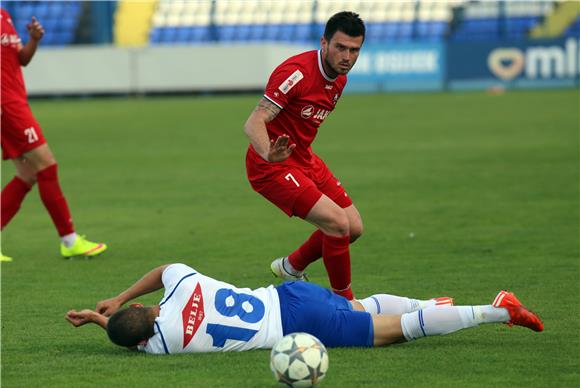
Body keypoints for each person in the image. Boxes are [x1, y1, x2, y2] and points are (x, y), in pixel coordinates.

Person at [66, 263, 543, 354]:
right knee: (365, 307)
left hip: (296, 324)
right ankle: (434, 303)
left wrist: (102, 324)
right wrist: (116, 303)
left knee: (393, 331)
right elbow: (165, 267)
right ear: (150, 308)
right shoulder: (180, 286)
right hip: (291, 296)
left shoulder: (163, 346)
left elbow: (135, 338)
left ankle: (497, 310)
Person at [243, 11, 367, 299]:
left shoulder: (339, 79)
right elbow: (254, 122)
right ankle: (345, 305)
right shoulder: (296, 73)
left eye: (354, 50)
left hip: (304, 159)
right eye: (340, 47)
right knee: (337, 224)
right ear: (324, 43)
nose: (347, 56)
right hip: (270, 166)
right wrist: (268, 153)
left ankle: (291, 266)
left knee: (354, 228)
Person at [0, 9, 107, 262]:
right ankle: (69, 240)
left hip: (14, 101)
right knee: (47, 165)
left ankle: (69, 240)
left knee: (28, 173)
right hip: (7, 105)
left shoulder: (3, 14)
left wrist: (34, 40)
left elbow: (20, 60)